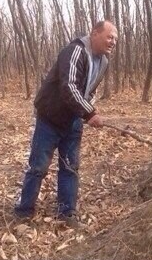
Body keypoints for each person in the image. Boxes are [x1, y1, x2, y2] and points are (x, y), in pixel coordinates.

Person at [14, 21, 118, 226]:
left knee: (70, 167)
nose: (113, 42)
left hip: (73, 119)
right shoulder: (74, 51)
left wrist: (88, 109)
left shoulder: (104, 61)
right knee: (38, 167)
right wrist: (89, 113)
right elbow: (69, 87)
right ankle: (23, 211)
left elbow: (90, 90)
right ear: (94, 33)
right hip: (50, 119)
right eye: (109, 36)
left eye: (115, 38)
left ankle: (67, 213)